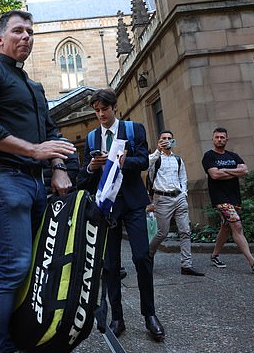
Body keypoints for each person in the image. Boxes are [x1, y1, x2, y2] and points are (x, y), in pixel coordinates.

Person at [0, 9, 76, 353]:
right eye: (18, 31)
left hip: (35, 182)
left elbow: (52, 133)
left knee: (36, 266)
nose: (26, 36)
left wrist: (58, 166)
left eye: (30, 32)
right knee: (14, 265)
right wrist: (33, 150)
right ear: (0, 39)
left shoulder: (34, 86)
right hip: (1, 177)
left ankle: (22, 335)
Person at [77, 88, 165, 341]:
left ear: (114, 108)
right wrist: (92, 167)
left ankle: (150, 315)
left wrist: (122, 161)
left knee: (141, 258)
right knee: (110, 265)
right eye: (97, 111)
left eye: (105, 109)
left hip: (134, 202)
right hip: (107, 206)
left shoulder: (133, 129)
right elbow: (84, 178)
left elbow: (144, 162)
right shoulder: (93, 138)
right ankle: (117, 317)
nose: (101, 114)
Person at [202, 127, 254, 274]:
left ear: (227, 139)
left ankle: (214, 256)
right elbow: (214, 175)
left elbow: (245, 171)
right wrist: (234, 172)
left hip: (234, 197)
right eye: (217, 137)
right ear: (213, 139)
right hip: (220, 198)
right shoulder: (209, 156)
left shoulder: (233, 155)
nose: (219, 139)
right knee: (237, 226)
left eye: (222, 137)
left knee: (227, 226)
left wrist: (224, 171)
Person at [148, 130, 204, 276]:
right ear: (160, 141)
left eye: (169, 138)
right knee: (163, 232)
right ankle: (149, 254)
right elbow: (145, 166)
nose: (167, 140)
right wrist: (157, 150)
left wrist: (183, 193)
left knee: (185, 231)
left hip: (179, 198)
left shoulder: (178, 159)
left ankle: (186, 264)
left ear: (173, 141)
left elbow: (183, 178)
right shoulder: (155, 159)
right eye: (164, 138)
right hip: (162, 199)